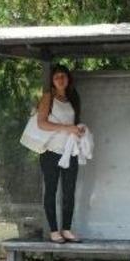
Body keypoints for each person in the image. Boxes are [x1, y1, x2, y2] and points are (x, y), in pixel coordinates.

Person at [35, 64, 85, 244]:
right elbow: (42, 123)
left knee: (69, 191)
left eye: (63, 76)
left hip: (70, 151)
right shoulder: (48, 97)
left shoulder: (73, 97)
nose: (60, 79)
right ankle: (54, 230)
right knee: (51, 190)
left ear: (68, 79)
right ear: (52, 81)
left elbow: (74, 121)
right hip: (51, 151)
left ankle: (67, 228)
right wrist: (66, 128)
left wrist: (78, 130)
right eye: (56, 77)